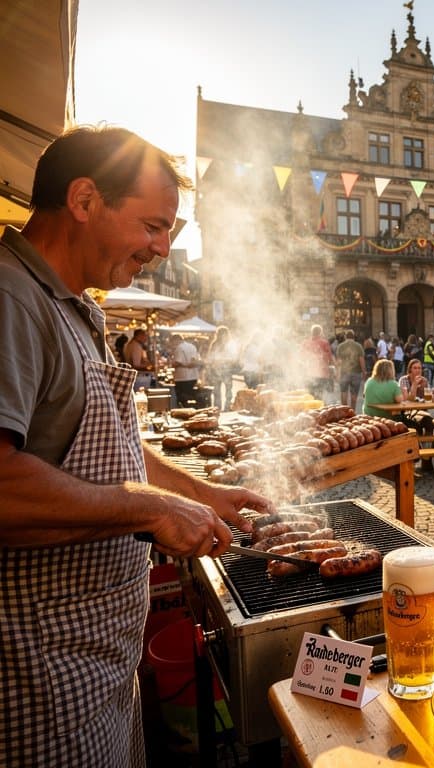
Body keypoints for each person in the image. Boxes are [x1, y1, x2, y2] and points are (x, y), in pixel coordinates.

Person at [0, 125, 272, 766]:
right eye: (153, 225)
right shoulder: (11, 298)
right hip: (37, 670)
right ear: (86, 199)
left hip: (94, 656)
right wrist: (151, 511)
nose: (161, 247)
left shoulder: (71, 303)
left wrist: (202, 492)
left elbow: (106, 446)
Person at [206, 325, 240, 410]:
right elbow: (234, 358)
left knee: (220, 391)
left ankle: (220, 407)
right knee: (224, 390)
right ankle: (225, 407)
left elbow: (211, 358)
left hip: (223, 370)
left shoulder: (224, 344)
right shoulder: (221, 344)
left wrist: (217, 362)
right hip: (223, 370)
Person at [397, 358, 433, 436]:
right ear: (410, 369)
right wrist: (414, 385)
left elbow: (429, 399)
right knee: (416, 427)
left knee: (430, 423)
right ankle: (418, 445)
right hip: (407, 413)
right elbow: (408, 400)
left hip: (421, 411)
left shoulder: (424, 380)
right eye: (415, 368)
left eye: (419, 368)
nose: (418, 370)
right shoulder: (403, 380)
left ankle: (428, 445)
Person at [300, 324, 335, 402]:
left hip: (309, 373)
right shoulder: (324, 343)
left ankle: (311, 412)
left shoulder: (305, 343)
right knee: (319, 396)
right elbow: (329, 357)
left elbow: (301, 358)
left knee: (310, 396)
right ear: (320, 332)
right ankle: (318, 411)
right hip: (321, 373)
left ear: (311, 332)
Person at [169, 332, 203, 407]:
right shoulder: (192, 346)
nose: (172, 344)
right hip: (193, 376)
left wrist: (172, 364)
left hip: (182, 377)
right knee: (190, 396)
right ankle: (192, 410)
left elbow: (177, 362)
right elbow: (195, 360)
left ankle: (184, 412)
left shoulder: (179, 348)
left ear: (176, 340)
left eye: (172, 342)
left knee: (183, 399)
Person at [336, 330, 366, 408]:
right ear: (353, 336)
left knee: (343, 392)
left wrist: (337, 373)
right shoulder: (358, 346)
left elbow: (339, 362)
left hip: (344, 372)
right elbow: (361, 360)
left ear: (345, 337)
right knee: (354, 395)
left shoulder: (341, 346)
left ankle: (344, 411)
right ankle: (352, 412)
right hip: (356, 373)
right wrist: (364, 372)